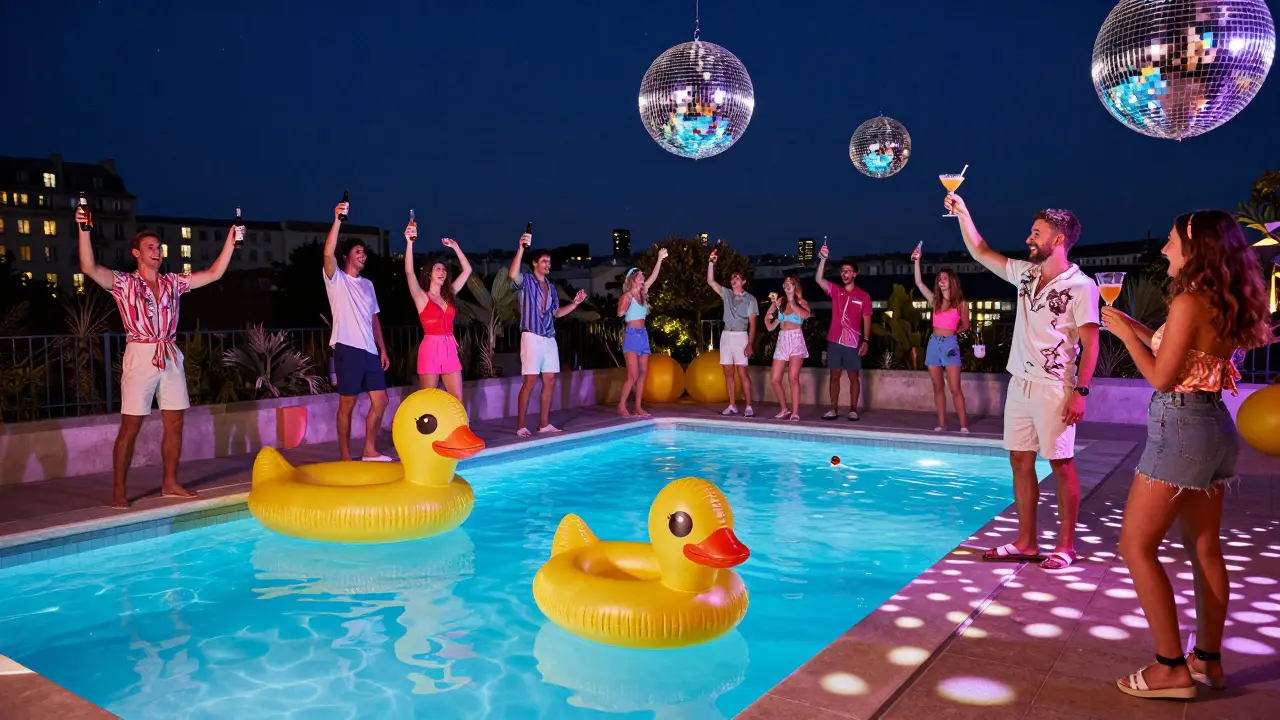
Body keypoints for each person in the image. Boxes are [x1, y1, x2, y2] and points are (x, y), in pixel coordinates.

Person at [1101, 211, 1272, 701]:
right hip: (1213, 425)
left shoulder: (1188, 301)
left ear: (1194, 250)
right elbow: (1181, 350)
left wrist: (1127, 337)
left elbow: (1160, 375)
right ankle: (1208, 662)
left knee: (1135, 547)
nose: (1164, 250)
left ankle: (1170, 667)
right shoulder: (1222, 299)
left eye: (1171, 242)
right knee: (1204, 548)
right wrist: (1128, 324)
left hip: (1180, 428)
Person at [946, 193, 1100, 571]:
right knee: (1019, 460)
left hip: (1055, 388)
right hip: (1020, 383)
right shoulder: (1026, 273)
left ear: (1058, 239)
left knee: (1061, 464)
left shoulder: (1081, 286)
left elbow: (1092, 342)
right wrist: (964, 213)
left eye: (1036, 233)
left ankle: (1066, 546)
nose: (1029, 238)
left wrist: (1079, 392)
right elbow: (981, 251)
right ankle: (1027, 541)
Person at [75, 205, 236, 509]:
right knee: (131, 425)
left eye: (159, 247)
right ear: (136, 253)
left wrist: (230, 241)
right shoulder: (125, 283)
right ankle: (119, 489)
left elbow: (214, 274)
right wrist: (84, 230)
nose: (157, 251)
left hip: (170, 353)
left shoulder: (172, 282)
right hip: (141, 351)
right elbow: (88, 268)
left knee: (175, 422)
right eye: (150, 247)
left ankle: (170, 482)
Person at [322, 197, 393, 462]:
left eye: (364, 251)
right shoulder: (336, 279)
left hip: (370, 351)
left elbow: (374, 318)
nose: (363, 255)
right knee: (347, 404)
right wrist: (337, 219)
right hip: (347, 348)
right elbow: (327, 253)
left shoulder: (368, 285)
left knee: (381, 401)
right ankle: (344, 457)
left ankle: (369, 450)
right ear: (347, 256)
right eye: (358, 251)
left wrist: (382, 349)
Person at [508, 230, 587, 437]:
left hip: (549, 338)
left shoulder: (551, 288)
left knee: (550, 380)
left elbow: (556, 313)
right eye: (544, 261)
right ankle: (521, 425)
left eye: (549, 262)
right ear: (534, 263)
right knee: (530, 382)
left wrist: (575, 303)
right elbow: (512, 275)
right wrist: (520, 248)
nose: (547, 264)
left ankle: (544, 424)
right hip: (531, 336)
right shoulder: (526, 280)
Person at [404, 225, 472, 401]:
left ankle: (458, 429)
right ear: (429, 275)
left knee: (457, 400)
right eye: (438, 269)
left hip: (449, 348)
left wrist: (456, 247)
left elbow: (467, 271)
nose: (442, 272)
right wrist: (409, 243)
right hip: (430, 348)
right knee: (430, 400)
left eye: (444, 269)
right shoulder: (422, 298)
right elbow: (409, 272)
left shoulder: (449, 295)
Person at [912, 244, 971, 433]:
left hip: (950, 345)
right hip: (933, 344)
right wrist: (917, 260)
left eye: (944, 278)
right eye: (939, 279)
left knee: (955, 388)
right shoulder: (935, 301)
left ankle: (963, 426)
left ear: (951, 281)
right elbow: (919, 283)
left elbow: (966, 326)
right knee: (937, 387)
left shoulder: (961, 304)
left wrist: (954, 332)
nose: (941, 281)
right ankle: (942, 424)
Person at [815, 242, 872, 420]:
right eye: (842, 271)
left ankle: (853, 409)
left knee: (853, 377)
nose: (844, 273)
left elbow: (867, 318)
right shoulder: (836, 291)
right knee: (834, 376)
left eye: (848, 271)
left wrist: (866, 341)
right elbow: (818, 279)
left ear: (855, 274)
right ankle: (833, 409)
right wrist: (823, 259)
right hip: (834, 340)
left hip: (852, 342)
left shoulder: (864, 296)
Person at [617, 249, 669, 417]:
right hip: (631, 335)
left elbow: (654, 276)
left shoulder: (643, 293)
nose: (642, 277)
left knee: (643, 373)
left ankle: (638, 407)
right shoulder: (627, 295)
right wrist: (624, 304)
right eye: (639, 275)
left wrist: (660, 258)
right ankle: (621, 406)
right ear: (633, 279)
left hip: (643, 335)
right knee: (632, 375)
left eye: (641, 275)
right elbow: (619, 314)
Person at [706, 253, 758, 417]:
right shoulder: (726, 294)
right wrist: (711, 263)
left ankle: (749, 406)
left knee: (742, 372)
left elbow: (753, 323)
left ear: (743, 281)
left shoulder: (751, 299)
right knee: (728, 372)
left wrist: (750, 343)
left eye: (737, 277)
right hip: (726, 336)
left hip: (740, 336)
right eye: (732, 277)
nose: (733, 279)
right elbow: (710, 281)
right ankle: (732, 405)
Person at [764, 276, 811, 421]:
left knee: (793, 377)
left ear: (795, 285)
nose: (786, 285)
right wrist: (772, 308)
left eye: (790, 283)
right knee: (774, 379)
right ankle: (784, 409)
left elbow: (805, 315)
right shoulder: (780, 302)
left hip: (796, 339)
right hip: (782, 340)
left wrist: (792, 300)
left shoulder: (802, 302)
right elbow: (769, 325)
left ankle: (795, 412)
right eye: (785, 283)